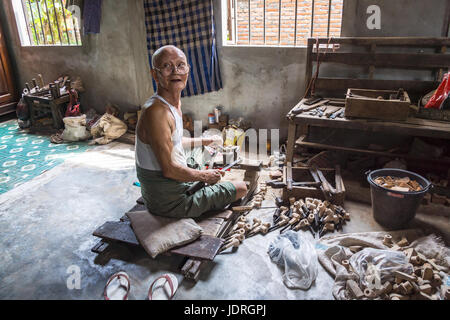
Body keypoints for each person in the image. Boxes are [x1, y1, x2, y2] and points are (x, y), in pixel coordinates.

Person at [135, 45, 247, 218]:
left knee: (204, 149)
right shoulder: (156, 112)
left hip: (167, 185)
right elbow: (169, 170)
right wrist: (204, 176)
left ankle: (198, 174)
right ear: (155, 74)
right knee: (241, 187)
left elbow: (176, 142)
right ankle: (196, 193)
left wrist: (204, 141)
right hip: (169, 201)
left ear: (188, 70)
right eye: (167, 66)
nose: (175, 72)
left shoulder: (171, 104)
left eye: (181, 65)